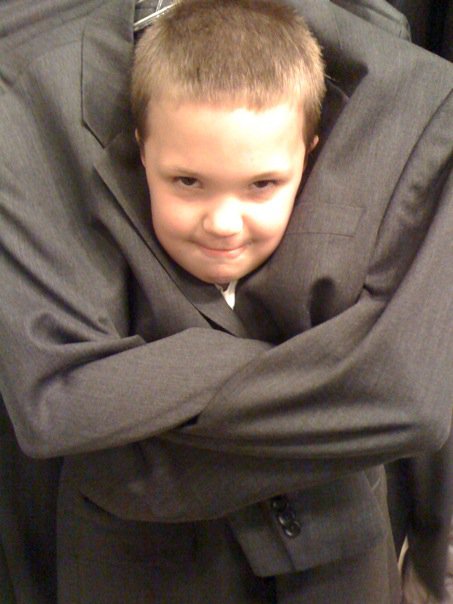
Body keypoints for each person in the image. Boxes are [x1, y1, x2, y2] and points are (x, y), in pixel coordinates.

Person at [0, 0, 451, 602]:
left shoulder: (403, 97)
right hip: (139, 569)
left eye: (262, 185)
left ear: (312, 154)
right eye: (187, 182)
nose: (223, 223)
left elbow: (414, 401)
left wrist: (435, 553)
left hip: (340, 563)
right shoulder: (33, 106)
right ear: (140, 149)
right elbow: (57, 404)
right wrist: (332, 372)